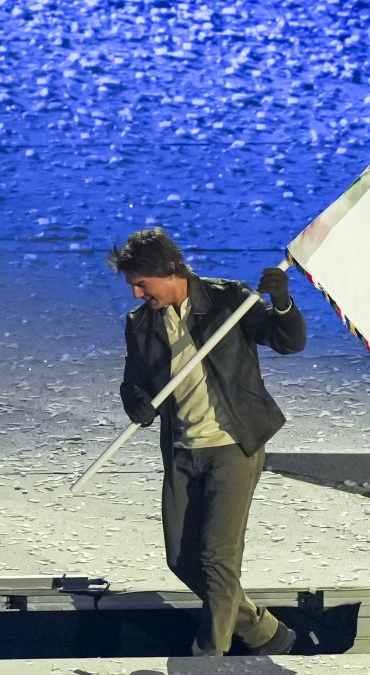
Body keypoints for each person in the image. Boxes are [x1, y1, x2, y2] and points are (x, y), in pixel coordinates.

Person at [107, 227, 306, 657]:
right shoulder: (139, 324)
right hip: (181, 452)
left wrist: (282, 303)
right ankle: (265, 631)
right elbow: (133, 382)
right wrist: (135, 402)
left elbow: (289, 341)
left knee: (218, 559)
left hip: (231, 447)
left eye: (143, 284)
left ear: (171, 271)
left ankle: (208, 656)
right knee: (181, 559)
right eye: (133, 286)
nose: (138, 294)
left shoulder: (228, 301)